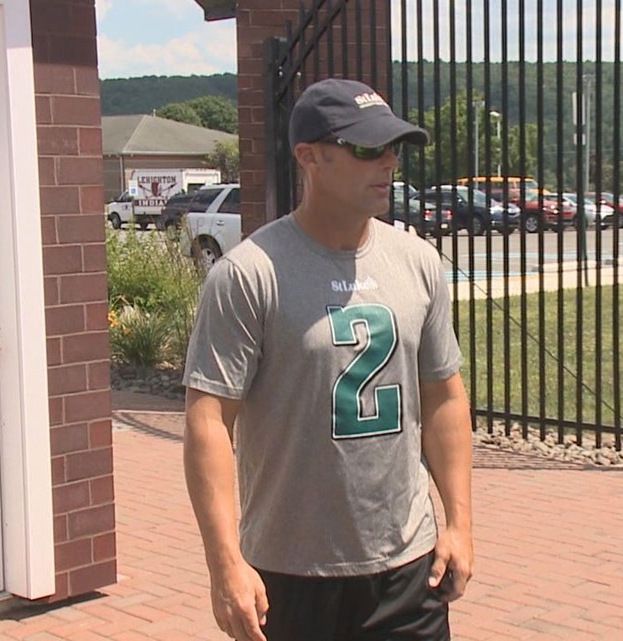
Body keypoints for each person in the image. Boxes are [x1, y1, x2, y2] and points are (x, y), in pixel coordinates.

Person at [182, 78, 474, 641]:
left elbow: (444, 396)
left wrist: (459, 523)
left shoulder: (417, 262)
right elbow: (209, 423)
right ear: (309, 157)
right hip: (291, 574)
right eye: (367, 148)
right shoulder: (249, 274)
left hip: (409, 570)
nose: (388, 162)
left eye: (394, 147)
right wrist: (225, 565)